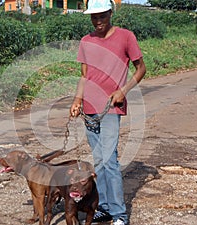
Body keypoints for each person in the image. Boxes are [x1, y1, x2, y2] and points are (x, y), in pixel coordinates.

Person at [70, 0, 146, 224]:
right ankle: (102, 206)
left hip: (112, 107)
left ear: (110, 13)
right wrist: (77, 100)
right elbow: (84, 75)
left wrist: (123, 91)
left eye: (102, 15)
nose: (98, 21)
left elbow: (141, 68)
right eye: (94, 17)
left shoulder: (126, 37)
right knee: (99, 160)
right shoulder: (86, 41)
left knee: (110, 161)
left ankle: (119, 214)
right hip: (90, 109)